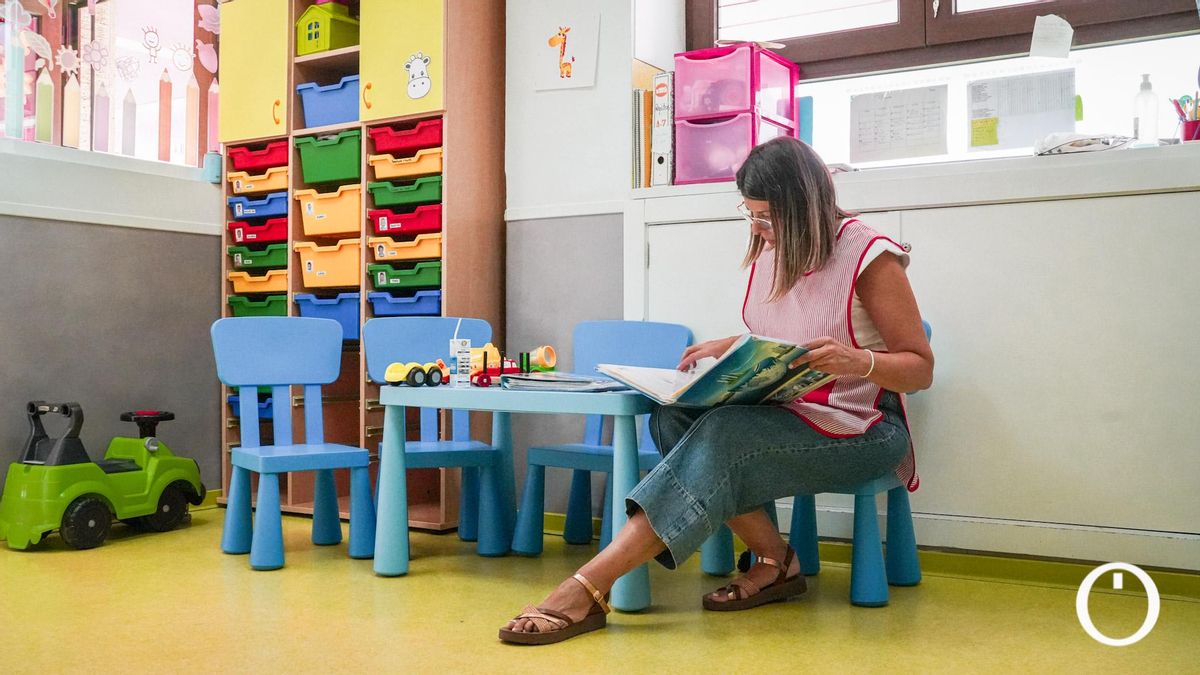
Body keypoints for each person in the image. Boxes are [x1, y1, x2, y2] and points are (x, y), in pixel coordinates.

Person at [499, 137, 935, 645]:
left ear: (804, 208)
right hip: (795, 414)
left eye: (767, 217)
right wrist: (734, 347)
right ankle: (777, 562)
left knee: (723, 434)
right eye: (750, 215)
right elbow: (790, 337)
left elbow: (919, 369)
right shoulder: (775, 252)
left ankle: (587, 586)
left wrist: (859, 360)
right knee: (670, 418)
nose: (757, 229)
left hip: (865, 428)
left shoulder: (870, 255)